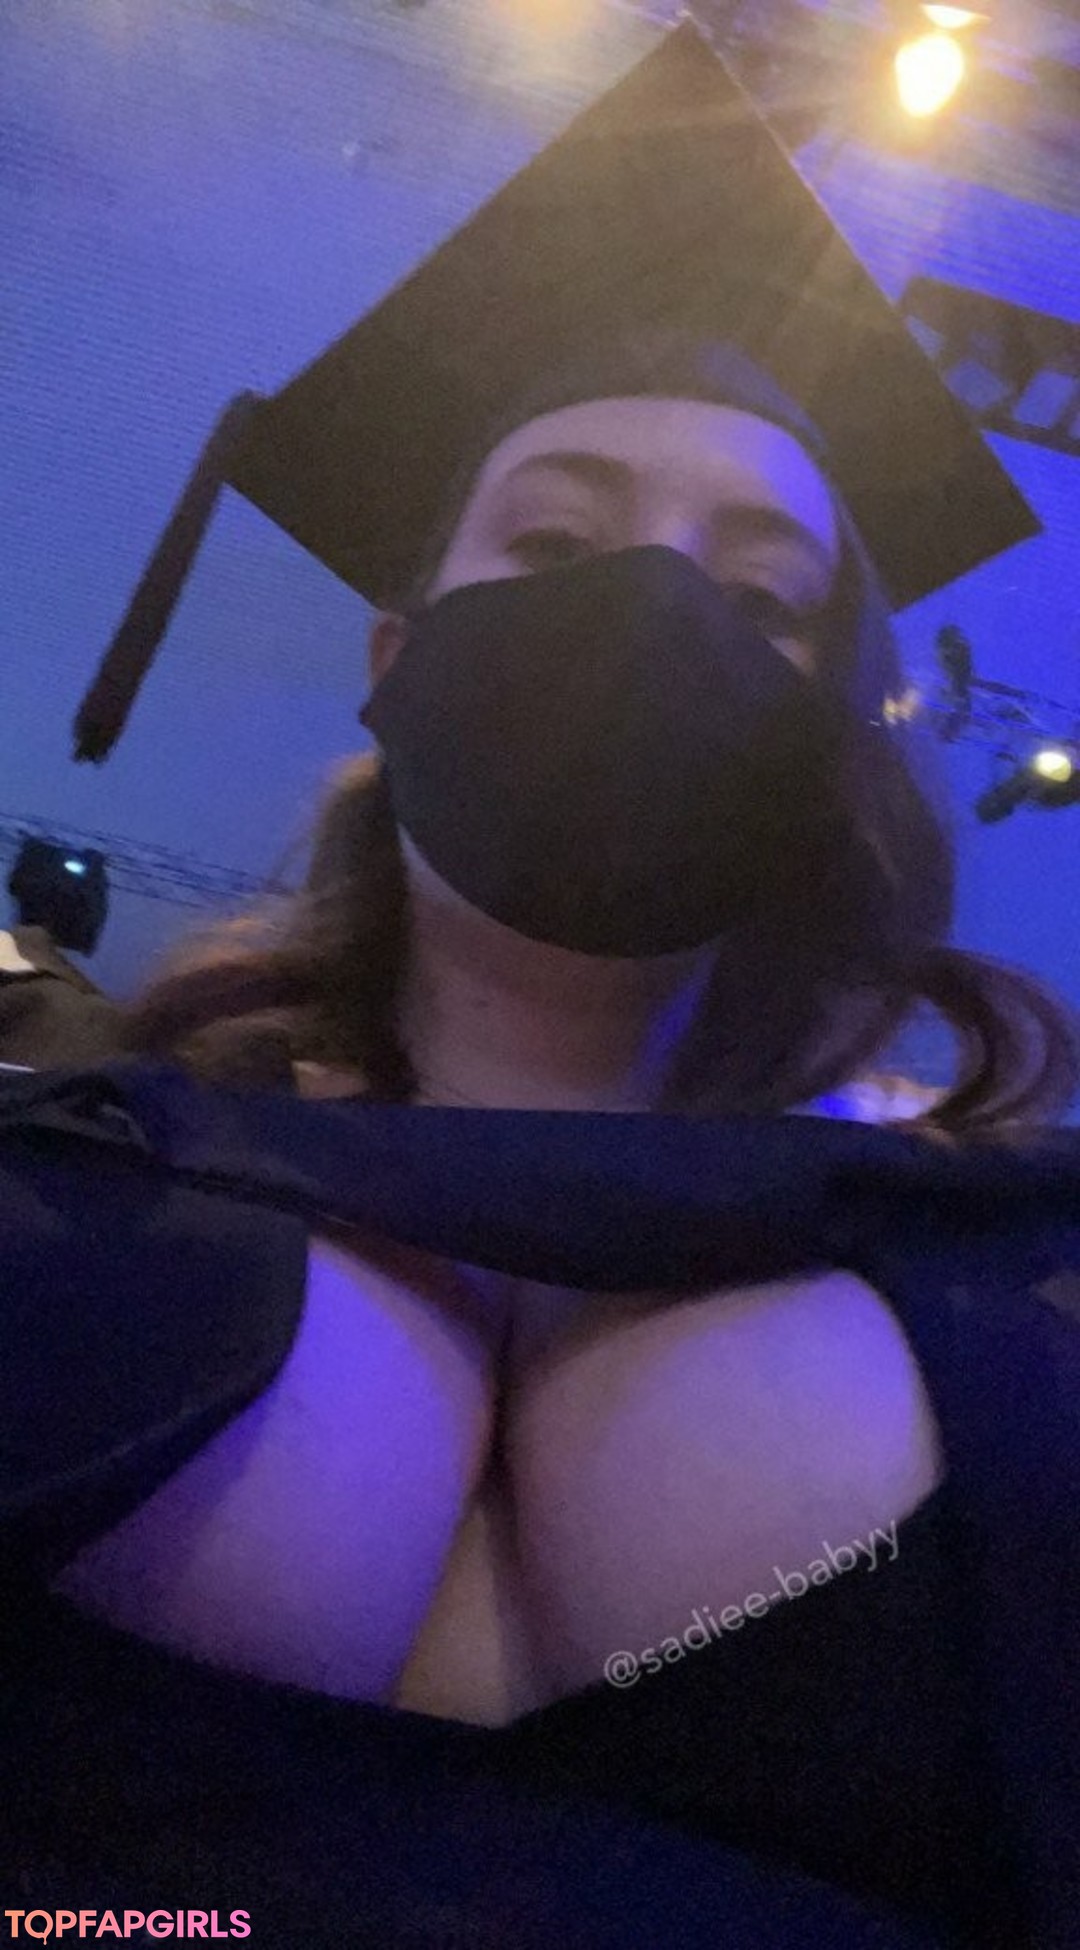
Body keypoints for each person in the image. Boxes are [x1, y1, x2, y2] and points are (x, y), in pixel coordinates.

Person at [3, 24, 1079, 1950]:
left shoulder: (1013, 1268)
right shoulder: (85, 1158)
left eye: (759, 600)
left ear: (837, 731)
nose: (648, 607)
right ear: (395, 657)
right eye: (560, 538)